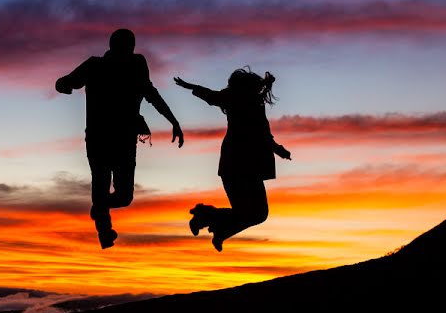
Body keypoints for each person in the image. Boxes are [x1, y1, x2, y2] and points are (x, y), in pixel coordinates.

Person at [56, 29, 184, 249]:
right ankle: (104, 232)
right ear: (115, 46)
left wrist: (174, 121)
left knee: (123, 197)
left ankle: (99, 208)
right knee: (101, 184)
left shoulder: (136, 66)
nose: (128, 50)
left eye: (130, 46)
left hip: (123, 140)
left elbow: (151, 94)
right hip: (100, 138)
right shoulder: (95, 65)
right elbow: (64, 83)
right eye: (126, 46)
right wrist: (64, 85)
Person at [174, 68, 291, 252]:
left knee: (255, 214)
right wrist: (192, 86)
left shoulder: (250, 101)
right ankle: (208, 219)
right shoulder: (238, 99)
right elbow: (212, 96)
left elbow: (263, 133)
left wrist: (278, 149)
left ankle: (211, 222)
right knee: (255, 213)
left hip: (243, 166)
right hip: (237, 165)